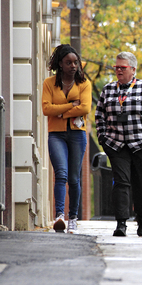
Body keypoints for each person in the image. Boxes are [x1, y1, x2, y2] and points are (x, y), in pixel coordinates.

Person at [95, 52, 142, 236]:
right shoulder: (108, 90)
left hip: (141, 144)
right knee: (121, 183)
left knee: (140, 184)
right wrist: (103, 138)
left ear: (132, 69)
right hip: (116, 145)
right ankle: (121, 224)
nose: (118, 70)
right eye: (116, 67)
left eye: (122, 68)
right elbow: (99, 116)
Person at [42, 44, 91, 233]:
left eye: (75, 62)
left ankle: (73, 218)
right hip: (56, 135)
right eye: (68, 62)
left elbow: (85, 108)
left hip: (78, 134)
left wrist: (60, 109)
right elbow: (47, 109)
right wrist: (70, 106)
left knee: (74, 177)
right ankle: (60, 216)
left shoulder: (84, 83)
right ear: (60, 64)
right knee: (60, 174)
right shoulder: (49, 83)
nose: (73, 66)